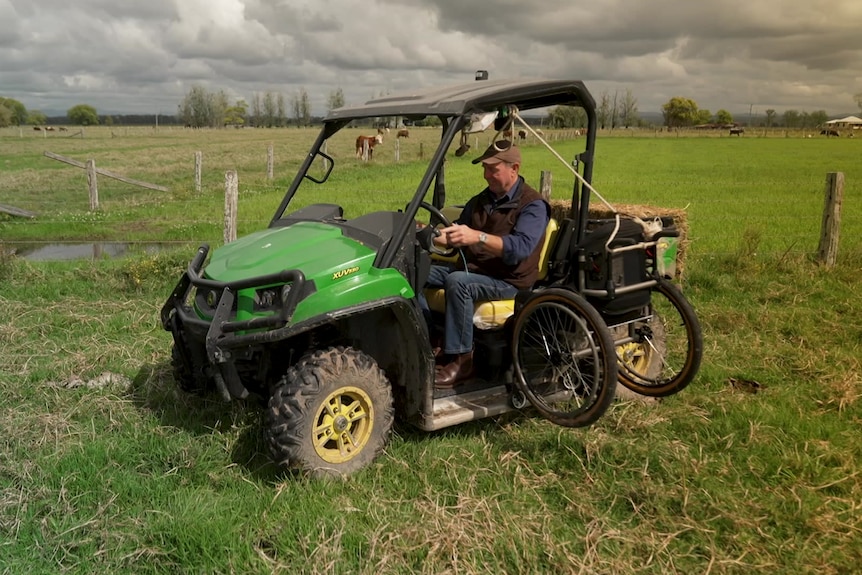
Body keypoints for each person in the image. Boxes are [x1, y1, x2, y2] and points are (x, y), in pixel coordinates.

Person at [424, 140, 550, 389]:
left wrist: (477, 237)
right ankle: (430, 340)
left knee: (458, 282)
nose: (487, 175)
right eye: (485, 168)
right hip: (477, 271)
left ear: (514, 168)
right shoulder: (481, 200)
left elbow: (520, 248)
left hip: (509, 280)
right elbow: (455, 233)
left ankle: (462, 361)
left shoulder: (532, 205)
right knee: (411, 270)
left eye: (493, 169)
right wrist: (430, 235)